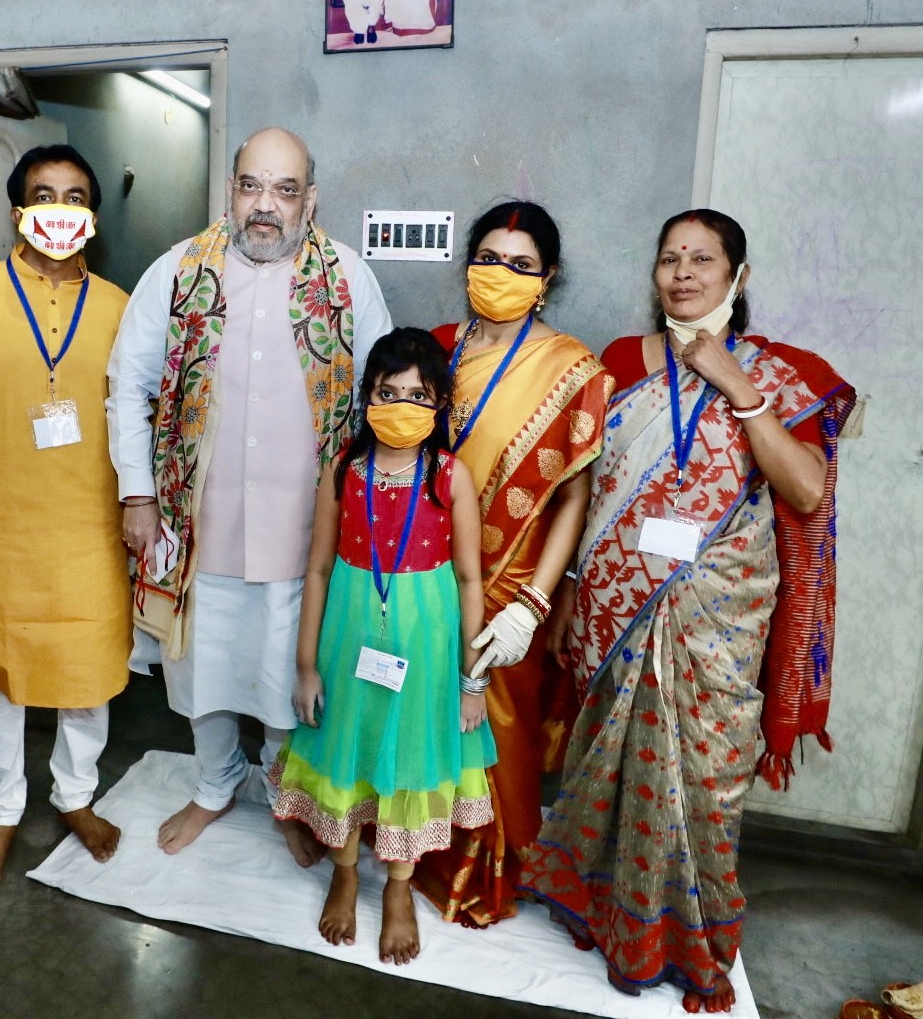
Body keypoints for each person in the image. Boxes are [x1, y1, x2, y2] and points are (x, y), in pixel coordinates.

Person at [518, 209, 856, 1014]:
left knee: (700, 784)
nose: (682, 273)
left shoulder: (781, 371)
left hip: (718, 622)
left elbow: (806, 489)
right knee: (609, 765)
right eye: (669, 258)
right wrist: (565, 591)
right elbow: (586, 486)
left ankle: (687, 937)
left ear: (739, 276)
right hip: (614, 609)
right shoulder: (625, 360)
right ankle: (604, 910)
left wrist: (736, 386)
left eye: (703, 259)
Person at [106, 127, 391, 859]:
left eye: (285, 190)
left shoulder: (348, 279)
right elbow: (127, 386)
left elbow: (380, 401)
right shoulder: (176, 272)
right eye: (251, 186)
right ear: (229, 189)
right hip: (196, 523)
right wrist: (138, 496)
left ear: (311, 200)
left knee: (286, 672)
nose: (265, 206)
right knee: (200, 668)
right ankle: (212, 784)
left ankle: (280, 789)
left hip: (307, 531)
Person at [0, 144, 130, 888]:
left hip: (88, 526)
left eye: (76, 196)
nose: (60, 209)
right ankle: (3, 809)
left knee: (89, 676)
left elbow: (141, 418)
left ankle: (76, 797)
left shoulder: (120, 308)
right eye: (44, 194)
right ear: (17, 209)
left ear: (94, 215)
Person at [410, 201, 613, 927]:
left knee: (496, 732)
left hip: (512, 587)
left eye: (521, 265)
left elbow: (573, 498)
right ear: (469, 265)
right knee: (422, 717)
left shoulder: (572, 368)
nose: (502, 274)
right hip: (425, 576)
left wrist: (533, 603)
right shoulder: (436, 350)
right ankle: (414, 848)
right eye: (490, 259)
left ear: (547, 278)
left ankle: (487, 871)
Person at [271, 328, 495, 966]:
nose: (401, 405)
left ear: (441, 402)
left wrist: (470, 681)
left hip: (424, 649)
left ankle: (397, 888)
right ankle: (345, 872)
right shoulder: (344, 469)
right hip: (348, 638)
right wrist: (306, 665)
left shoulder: (450, 476)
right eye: (387, 392)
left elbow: (472, 578)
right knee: (348, 749)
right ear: (367, 397)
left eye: (418, 395)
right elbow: (316, 570)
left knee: (406, 760)